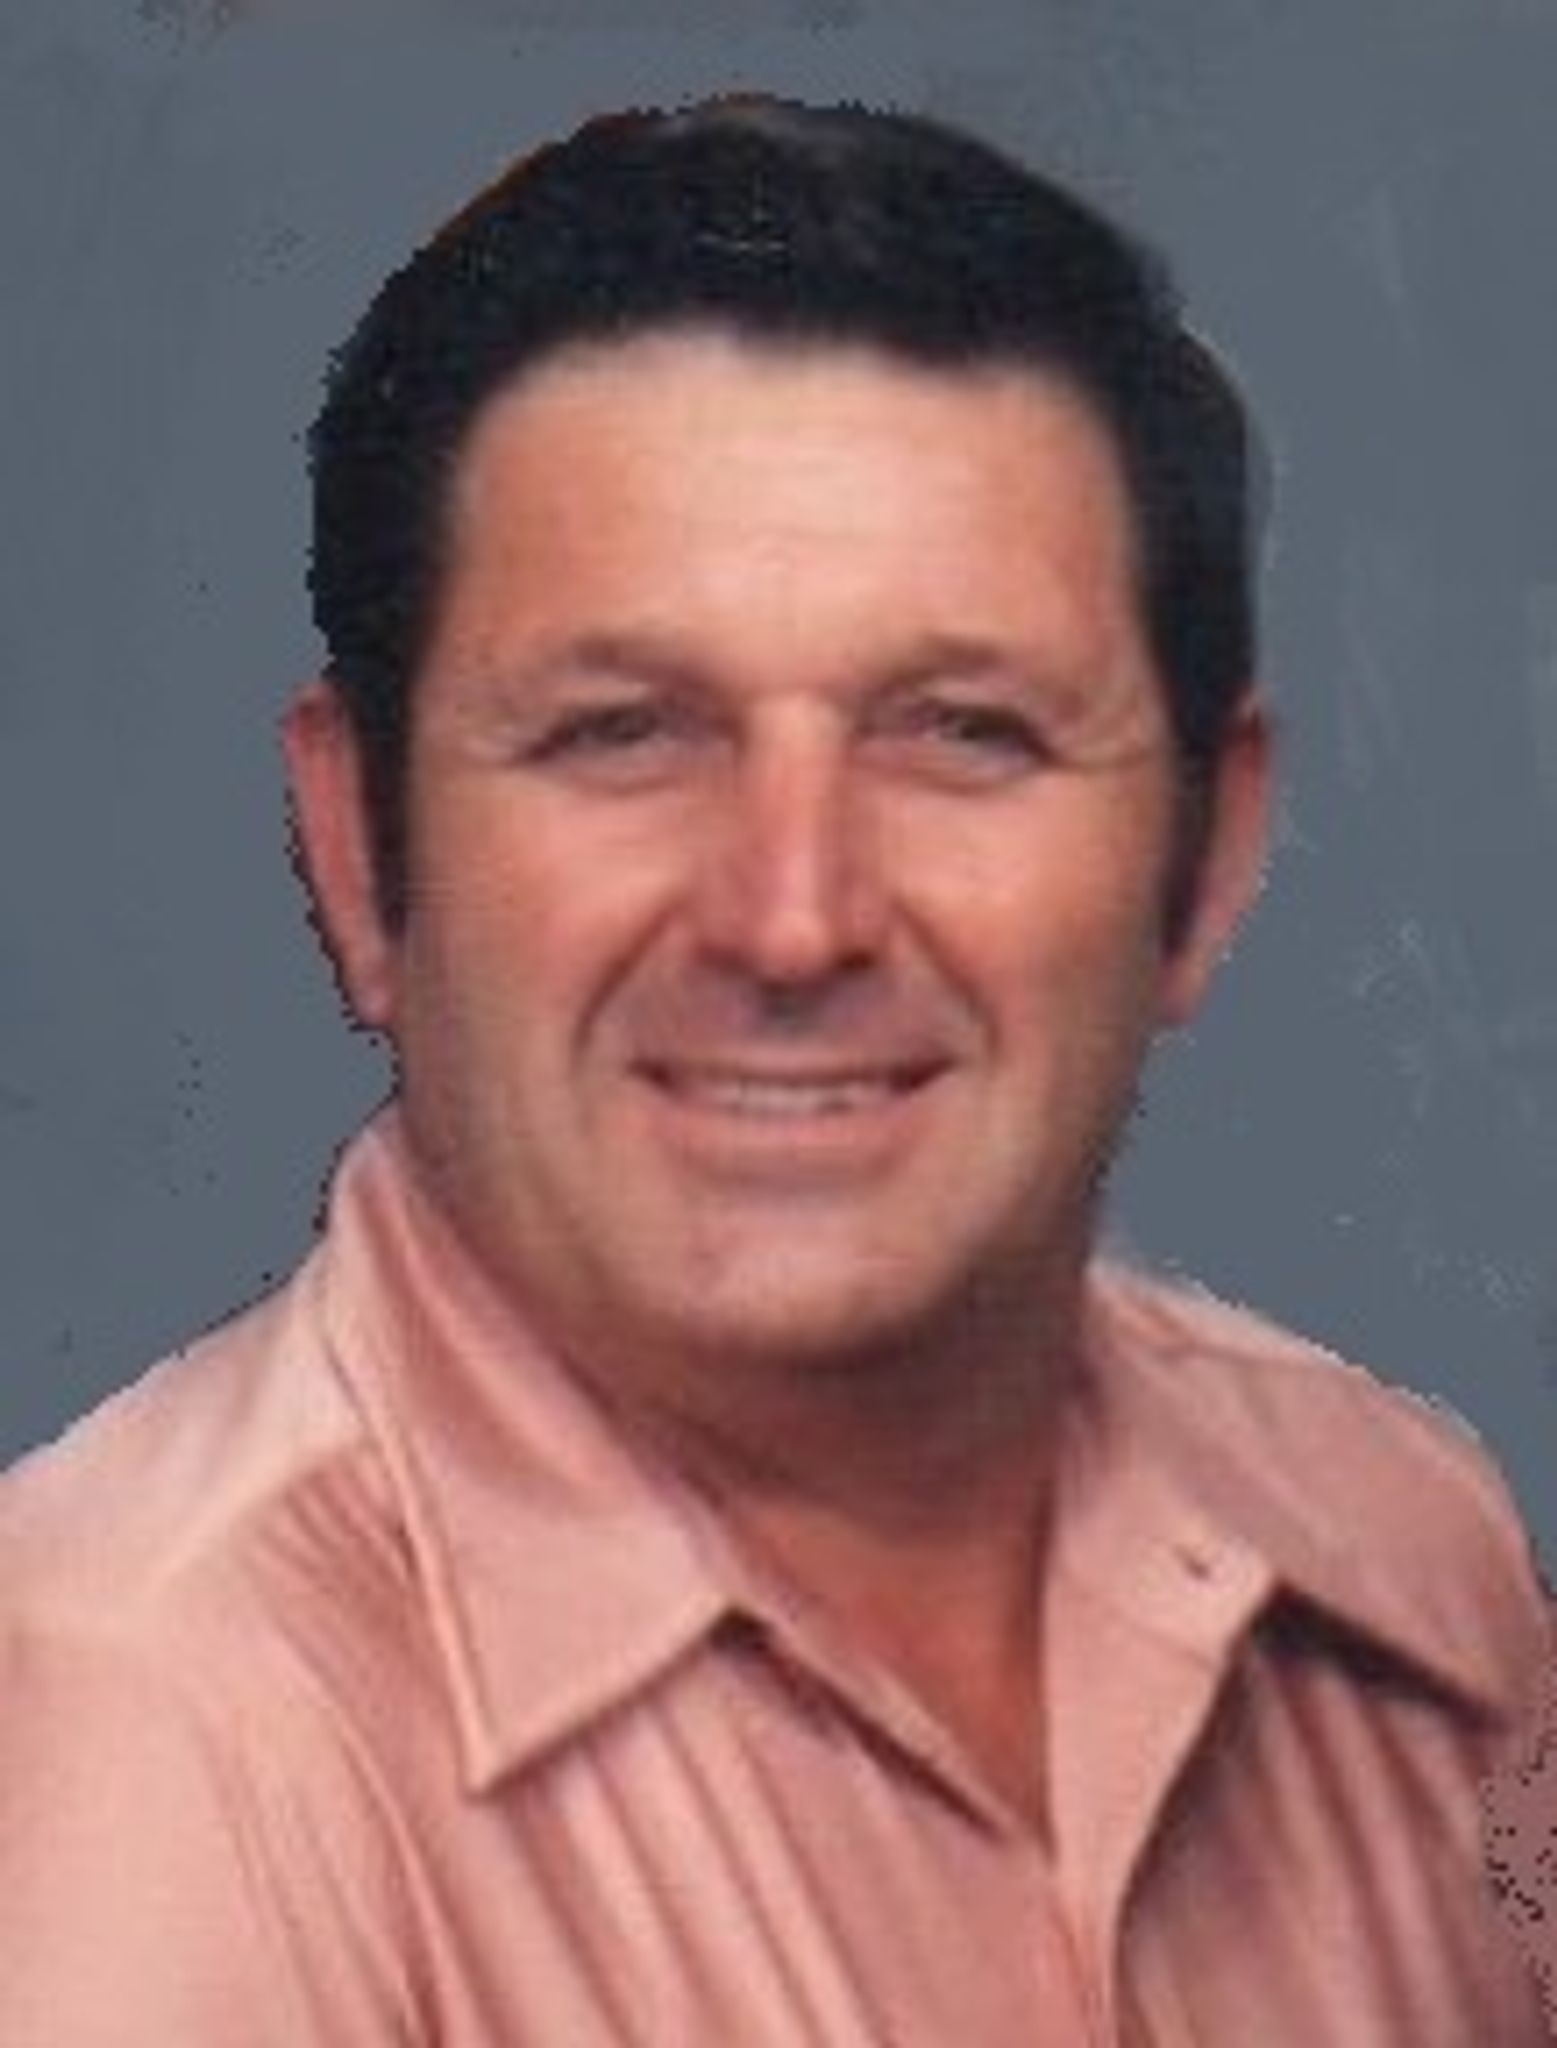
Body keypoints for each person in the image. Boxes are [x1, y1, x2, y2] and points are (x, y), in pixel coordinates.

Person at [0, 95, 1548, 2044]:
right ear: (358, 851)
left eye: (963, 731)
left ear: (1204, 854)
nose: (793, 919)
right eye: (620, 732)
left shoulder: (1411, 1555)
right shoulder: (140, 1736)